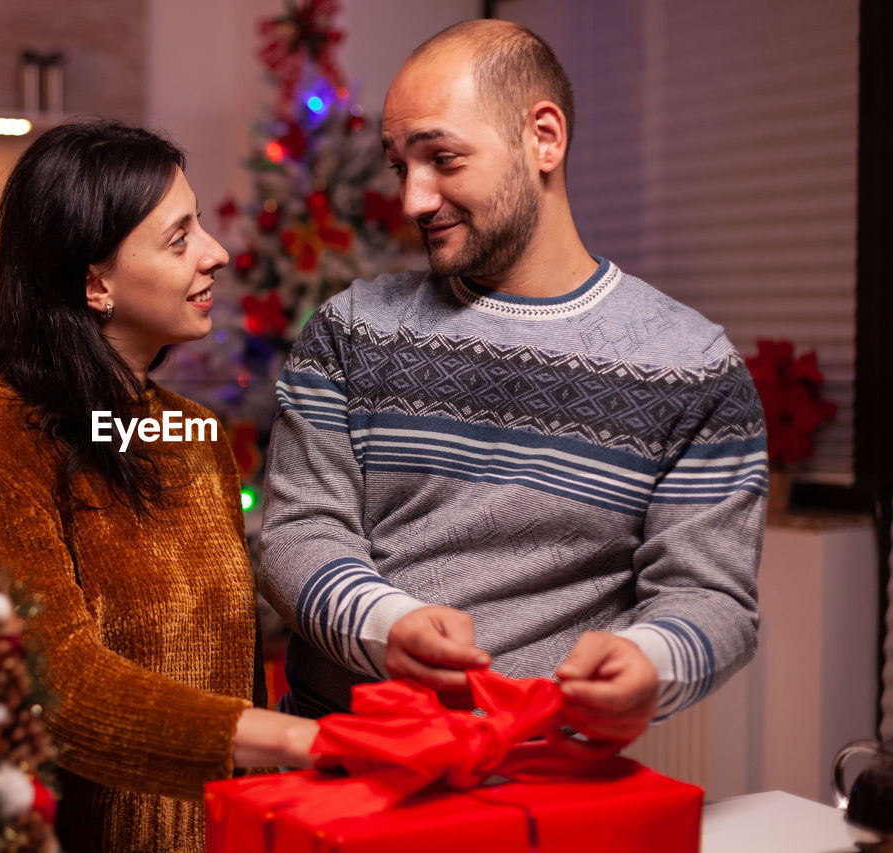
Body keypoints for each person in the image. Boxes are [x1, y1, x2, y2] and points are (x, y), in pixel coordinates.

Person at [258, 19, 766, 746]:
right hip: (341, 758)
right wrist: (385, 626)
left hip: (538, 777)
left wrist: (648, 660)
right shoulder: (351, 331)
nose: (414, 200)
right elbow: (300, 531)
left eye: (443, 158)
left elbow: (708, 595)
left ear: (544, 139)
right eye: (401, 166)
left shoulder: (692, 368)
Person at [0, 120, 318, 853]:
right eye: (179, 238)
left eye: (199, 223)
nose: (218, 253)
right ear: (95, 282)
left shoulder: (196, 436)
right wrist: (299, 741)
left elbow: (232, 669)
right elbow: (56, 683)